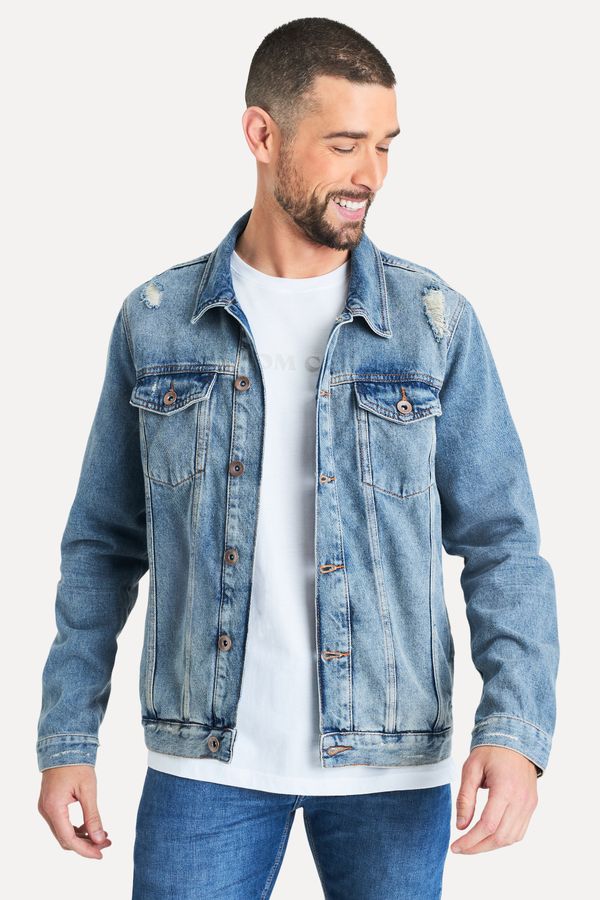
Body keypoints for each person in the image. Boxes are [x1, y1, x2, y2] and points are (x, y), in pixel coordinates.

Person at [36, 16, 560, 899]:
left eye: (386, 147)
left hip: (392, 769)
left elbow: (503, 543)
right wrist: (67, 738)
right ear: (262, 134)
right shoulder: (157, 321)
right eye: (345, 145)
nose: (371, 176)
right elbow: (101, 544)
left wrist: (515, 730)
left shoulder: (433, 322)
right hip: (205, 765)